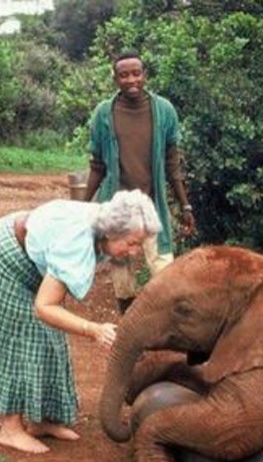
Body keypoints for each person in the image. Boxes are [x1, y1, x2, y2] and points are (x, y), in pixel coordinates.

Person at [0, 191, 162, 454]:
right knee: (22, 336)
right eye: (132, 243)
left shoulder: (102, 225)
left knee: (51, 335)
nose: (134, 252)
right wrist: (93, 329)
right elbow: (44, 308)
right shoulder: (76, 242)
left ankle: (41, 420)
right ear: (112, 232)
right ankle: (11, 428)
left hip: (24, 257)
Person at [83, 50, 195, 315]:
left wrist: (185, 206)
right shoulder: (104, 114)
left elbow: (172, 163)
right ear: (115, 79)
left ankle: (167, 332)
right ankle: (129, 330)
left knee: (164, 271)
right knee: (122, 277)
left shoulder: (164, 111)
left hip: (152, 205)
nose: (131, 80)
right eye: (124, 75)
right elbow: (97, 165)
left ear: (145, 75)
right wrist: (82, 207)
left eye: (136, 73)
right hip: (117, 208)